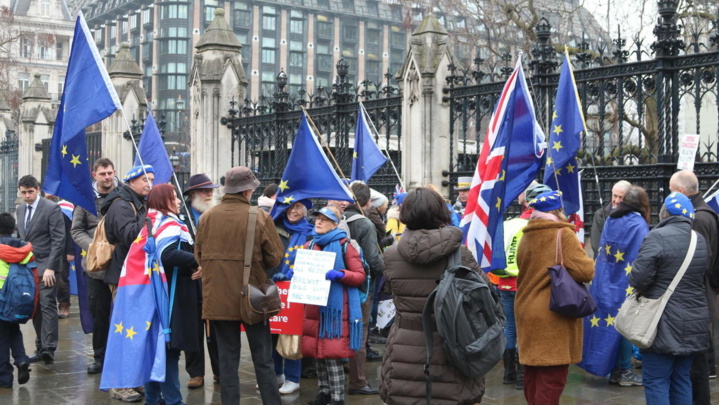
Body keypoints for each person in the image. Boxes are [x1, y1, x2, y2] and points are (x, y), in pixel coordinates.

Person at [379, 187, 487, 404]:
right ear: (441, 213)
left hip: (404, 347)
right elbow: (485, 296)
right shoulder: (460, 254)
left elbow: (392, 290)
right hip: (452, 345)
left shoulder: (391, 255)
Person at [194, 166, 284, 405]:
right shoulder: (259, 216)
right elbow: (275, 257)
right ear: (247, 192)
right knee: (263, 359)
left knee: (227, 360)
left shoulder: (207, 217)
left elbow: (199, 255)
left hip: (218, 299)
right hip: (253, 297)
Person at [630, 192, 710, 405]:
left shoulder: (656, 237)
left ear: (664, 213)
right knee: (682, 379)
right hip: (694, 322)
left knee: (656, 380)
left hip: (661, 321)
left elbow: (639, 279)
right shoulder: (698, 239)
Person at [515, 190, 595, 405]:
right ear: (558, 210)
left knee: (532, 374)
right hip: (553, 314)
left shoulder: (526, 235)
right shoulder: (562, 233)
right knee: (552, 378)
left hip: (526, 309)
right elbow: (585, 271)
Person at [580, 186, 650, 386]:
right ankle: (626, 370)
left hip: (605, 281)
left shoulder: (611, 219)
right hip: (626, 284)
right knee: (625, 327)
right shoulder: (639, 225)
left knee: (609, 325)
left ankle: (615, 368)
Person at [140, 184, 201, 405]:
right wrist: (196, 261)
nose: (177, 201)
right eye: (173, 198)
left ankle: (153, 399)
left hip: (159, 297)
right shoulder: (168, 225)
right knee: (169, 352)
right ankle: (174, 400)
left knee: (157, 351)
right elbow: (166, 255)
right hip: (171, 298)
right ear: (163, 202)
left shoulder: (151, 223)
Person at [100, 164, 154, 403]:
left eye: (152, 180)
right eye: (145, 180)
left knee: (136, 331)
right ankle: (119, 384)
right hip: (123, 278)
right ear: (132, 181)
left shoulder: (137, 202)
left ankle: (133, 379)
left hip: (136, 277)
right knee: (123, 331)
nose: (149, 184)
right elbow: (130, 235)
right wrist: (149, 213)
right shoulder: (122, 204)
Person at [303, 206, 366, 405]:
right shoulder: (310, 245)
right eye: (317, 219)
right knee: (318, 353)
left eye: (324, 219)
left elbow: (360, 276)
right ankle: (324, 393)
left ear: (335, 224)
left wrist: (341, 274)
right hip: (315, 308)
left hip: (337, 310)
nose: (318, 222)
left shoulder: (346, 245)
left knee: (332, 355)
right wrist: (289, 276)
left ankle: (337, 398)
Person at [493, 182, 551, 390]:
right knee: (525, 329)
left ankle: (509, 373)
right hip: (527, 285)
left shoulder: (510, 224)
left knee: (509, 327)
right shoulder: (537, 226)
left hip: (505, 283)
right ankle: (521, 376)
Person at [669, 169, 719, 405]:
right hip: (701, 297)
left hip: (696, 299)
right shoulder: (706, 214)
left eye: (671, 191)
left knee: (697, 366)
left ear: (680, 192)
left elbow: (699, 263)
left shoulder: (698, 218)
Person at [70, 158, 119, 376]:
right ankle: (100, 357)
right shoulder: (85, 199)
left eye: (110, 173)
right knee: (99, 315)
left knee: (122, 314)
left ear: (114, 172)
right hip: (95, 267)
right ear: (94, 175)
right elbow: (76, 230)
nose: (107, 177)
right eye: (103, 174)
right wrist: (94, 246)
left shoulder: (124, 195)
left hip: (121, 266)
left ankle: (120, 355)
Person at [15, 175, 65, 365]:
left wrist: (51, 268)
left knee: (47, 304)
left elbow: (59, 239)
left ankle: (49, 348)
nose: (27, 196)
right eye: (24, 192)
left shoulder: (51, 208)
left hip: (46, 266)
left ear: (37, 189)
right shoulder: (19, 210)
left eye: (30, 192)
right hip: (27, 267)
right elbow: (21, 238)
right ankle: (39, 346)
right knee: (34, 307)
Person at [179, 173, 221, 389]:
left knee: (216, 329)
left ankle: (219, 371)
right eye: (205, 190)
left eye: (211, 190)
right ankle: (196, 373)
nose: (209, 193)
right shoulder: (181, 216)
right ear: (192, 193)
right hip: (190, 279)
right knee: (193, 329)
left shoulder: (218, 214)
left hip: (214, 281)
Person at [269, 199, 313, 395]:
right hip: (274, 287)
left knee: (292, 334)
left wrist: (291, 277)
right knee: (273, 331)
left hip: (298, 290)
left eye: (298, 207)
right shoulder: (273, 228)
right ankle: (276, 374)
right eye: (290, 207)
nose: (293, 211)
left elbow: (312, 262)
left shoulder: (310, 233)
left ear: (305, 210)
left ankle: (293, 378)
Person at [344, 182, 383, 393]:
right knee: (360, 330)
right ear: (367, 202)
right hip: (362, 285)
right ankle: (358, 381)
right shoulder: (364, 224)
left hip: (340, 282)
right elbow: (373, 259)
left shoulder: (337, 219)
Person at [0, 213, 33, 388]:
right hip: (17, 298)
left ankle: (5, 378)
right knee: (14, 330)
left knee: (2, 338)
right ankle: (21, 359)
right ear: (14, 229)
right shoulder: (22, 249)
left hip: (0, 299)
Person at [590, 180, 631, 257]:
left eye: (621, 197)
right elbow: (596, 244)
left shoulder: (634, 217)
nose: (617, 201)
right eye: (615, 196)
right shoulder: (600, 215)